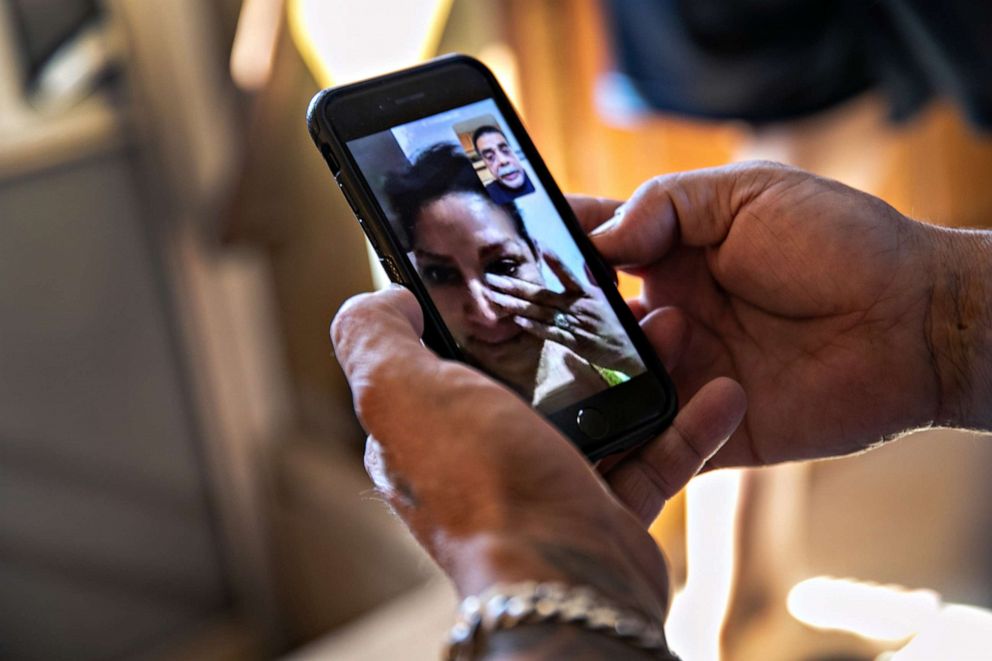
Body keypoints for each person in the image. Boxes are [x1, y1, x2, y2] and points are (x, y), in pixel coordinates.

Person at [331, 161, 991, 658]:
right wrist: (928, 319)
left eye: (502, 263)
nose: (483, 306)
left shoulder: (601, 361)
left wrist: (533, 557)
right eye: (440, 276)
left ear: (537, 262)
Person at [384, 144, 642, 412]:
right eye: (441, 274)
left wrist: (629, 357)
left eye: (502, 266)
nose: (487, 314)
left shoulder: (613, 354)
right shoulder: (439, 412)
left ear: (536, 255)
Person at [471, 125, 536, 204]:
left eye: (505, 150)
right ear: (485, 163)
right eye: (490, 156)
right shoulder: (485, 198)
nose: (503, 160)